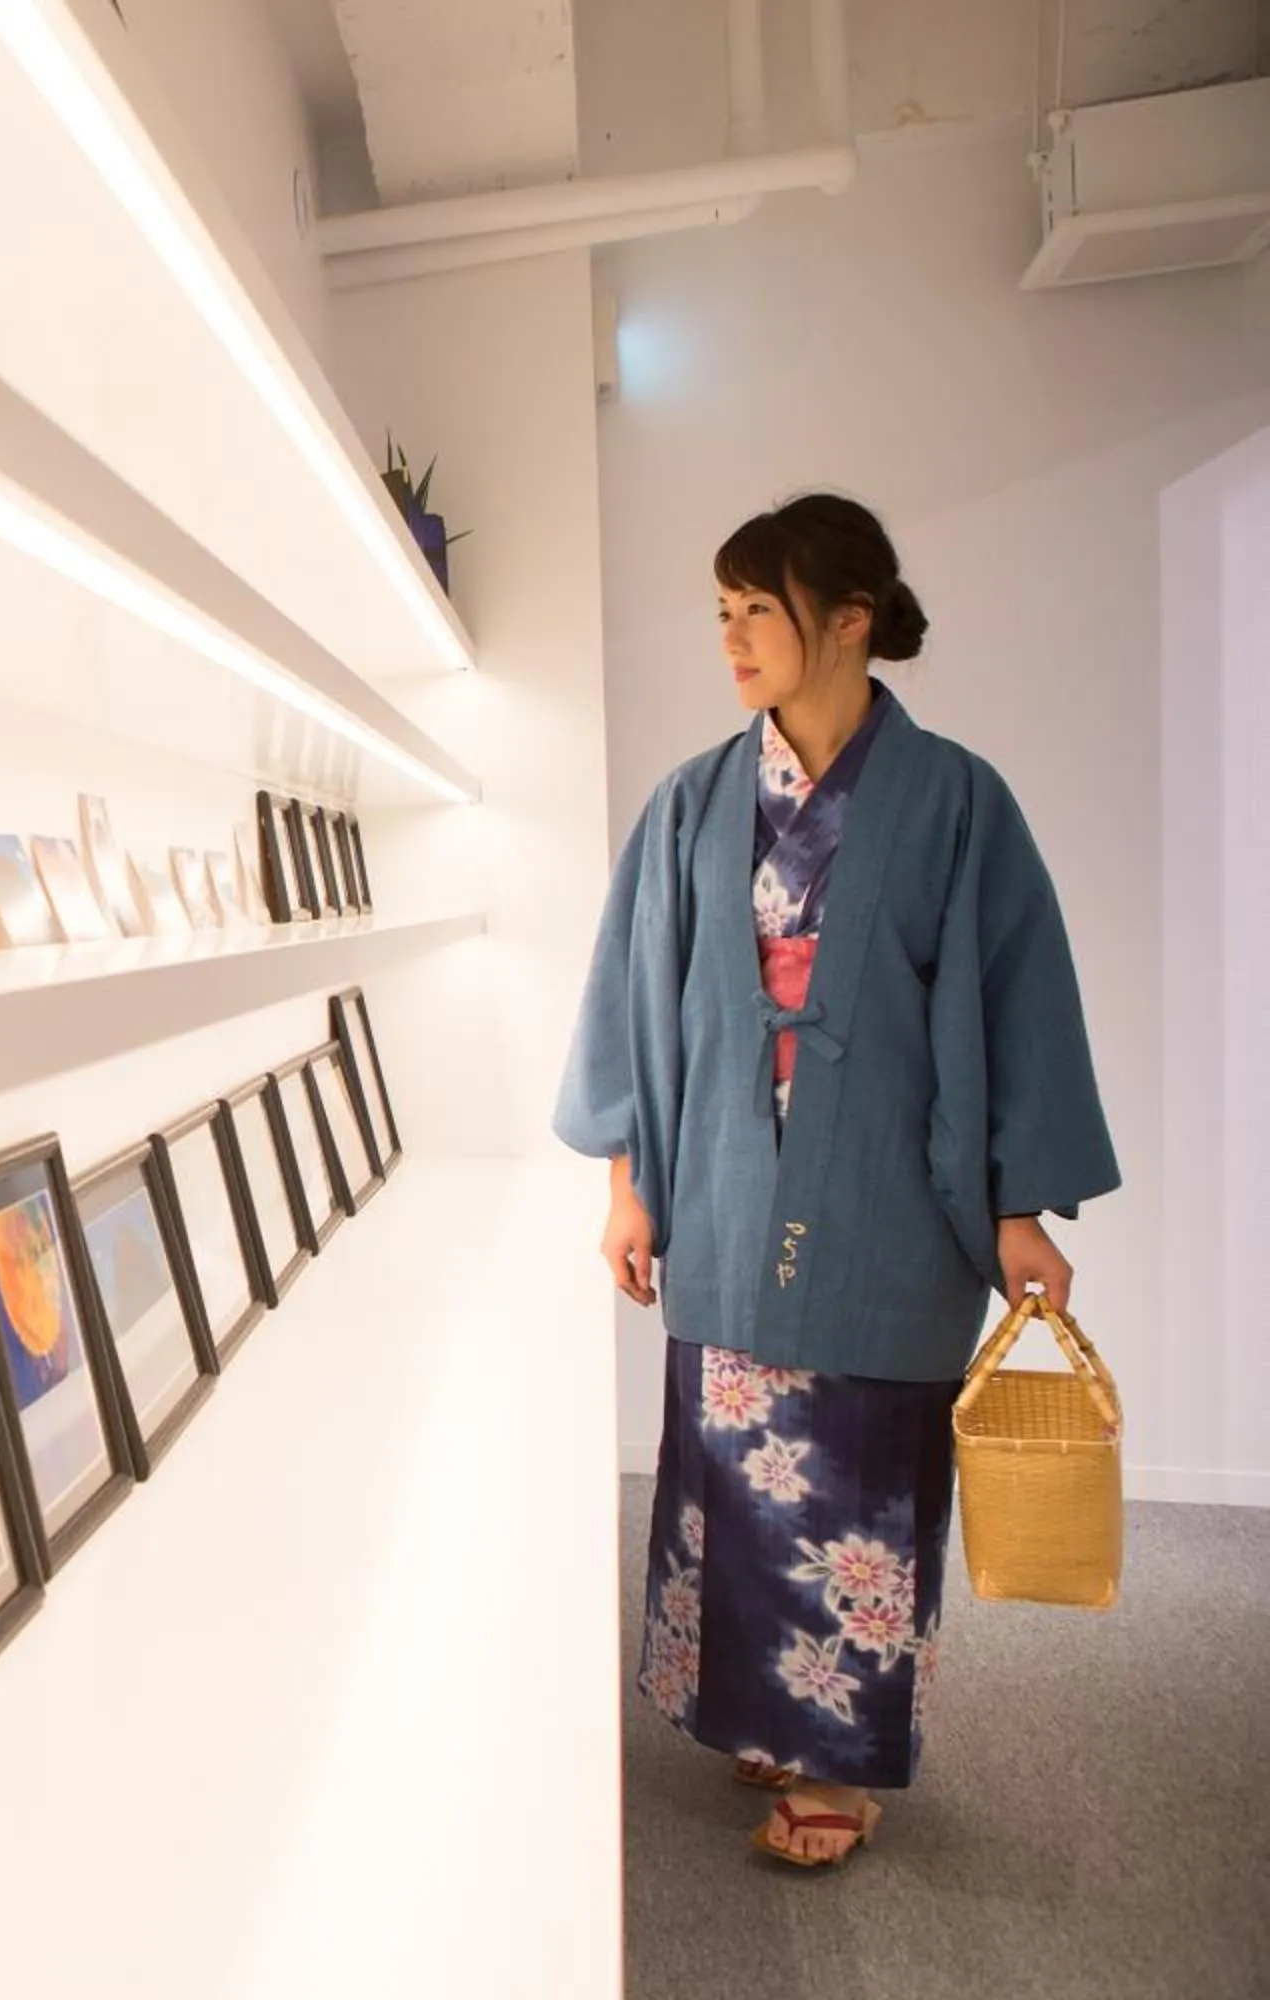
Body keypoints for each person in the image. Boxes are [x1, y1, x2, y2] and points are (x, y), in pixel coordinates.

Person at [556, 493, 1119, 1868]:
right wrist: (631, 1185)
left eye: (762, 610)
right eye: (725, 614)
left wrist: (1017, 1211)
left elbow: (1017, 1001)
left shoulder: (956, 804)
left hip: (883, 1208)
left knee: (861, 1489)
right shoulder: (694, 802)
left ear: (849, 619)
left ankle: (841, 1766)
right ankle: (759, 1713)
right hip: (736, 1197)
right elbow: (640, 995)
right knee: (735, 1478)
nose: (735, 639)